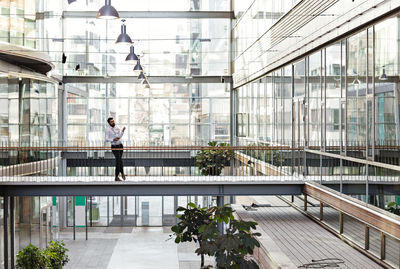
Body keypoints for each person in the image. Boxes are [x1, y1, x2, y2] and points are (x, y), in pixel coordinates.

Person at [105, 117, 126, 181]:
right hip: (114, 146)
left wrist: (122, 131)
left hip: (120, 145)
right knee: (118, 161)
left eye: (113, 121)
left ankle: (120, 174)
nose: (113, 122)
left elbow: (119, 136)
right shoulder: (108, 129)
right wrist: (113, 139)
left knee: (120, 160)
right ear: (109, 123)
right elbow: (106, 139)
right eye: (111, 121)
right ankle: (118, 175)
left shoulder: (117, 127)